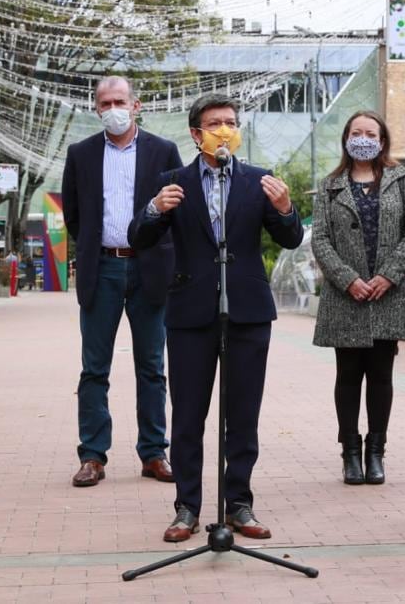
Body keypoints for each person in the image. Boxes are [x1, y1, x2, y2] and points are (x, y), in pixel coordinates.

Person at [129, 93, 303, 543]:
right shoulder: (173, 182)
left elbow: (290, 237)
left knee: (242, 414)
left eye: (230, 121)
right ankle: (187, 507)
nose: (224, 129)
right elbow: (140, 237)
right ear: (196, 134)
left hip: (247, 310)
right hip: (190, 312)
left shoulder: (258, 181)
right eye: (215, 123)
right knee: (188, 415)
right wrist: (154, 209)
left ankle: (239, 503)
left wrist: (285, 208)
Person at [61, 75, 183, 488]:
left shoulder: (163, 151)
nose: (112, 108)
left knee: (152, 366)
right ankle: (92, 456)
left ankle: (154, 453)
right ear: (96, 108)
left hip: (150, 268)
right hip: (103, 269)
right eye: (104, 102)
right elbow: (75, 216)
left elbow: (175, 209)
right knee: (94, 368)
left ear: (136, 105)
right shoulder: (80, 154)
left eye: (119, 101)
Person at [311, 111, 405, 485]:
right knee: (347, 375)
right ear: (346, 138)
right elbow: (321, 240)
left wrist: (388, 275)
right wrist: (348, 279)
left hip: (388, 294)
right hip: (346, 297)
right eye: (356, 132)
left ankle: (376, 452)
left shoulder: (402, 179)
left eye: (370, 132)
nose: (363, 137)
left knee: (381, 375)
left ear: (382, 140)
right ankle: (350, 452)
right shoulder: (329, 186)